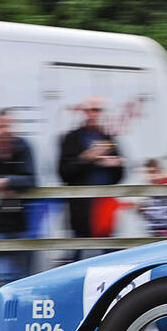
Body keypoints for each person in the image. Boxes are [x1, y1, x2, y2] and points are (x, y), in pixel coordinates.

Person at [0, 108, 37, 285]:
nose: (4, 130)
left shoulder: (23, 146)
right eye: (0, 126)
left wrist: (4, 182)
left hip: (23, 220)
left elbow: (31, 180)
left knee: (23, 278)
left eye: (7, 125)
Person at [58, 97, 125, 256]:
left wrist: (115, 165)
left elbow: (120, 175)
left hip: (104, 209)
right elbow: (64, 173)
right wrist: (87, 158)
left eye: (99, 110)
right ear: (83, 112)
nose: (95, 114)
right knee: (76, 255)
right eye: (92, 110)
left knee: (110, 256)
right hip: (80, 209)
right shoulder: (71, 139)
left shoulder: (108, 139)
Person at [137, 158, 167, 238]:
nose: (151, 176)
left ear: (160, 172)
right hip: (155, 234)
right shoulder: (145, 192)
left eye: (153, 172)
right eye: (147, 173)